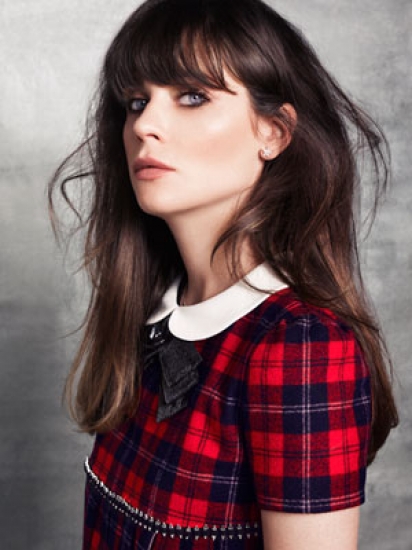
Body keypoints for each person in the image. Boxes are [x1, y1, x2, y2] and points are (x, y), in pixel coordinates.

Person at [49, 0, 399, 548]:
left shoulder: (301, 347)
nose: (145, 125)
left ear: (274, 132)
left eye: (192, 96)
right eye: (137, 101)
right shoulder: (151, 313)